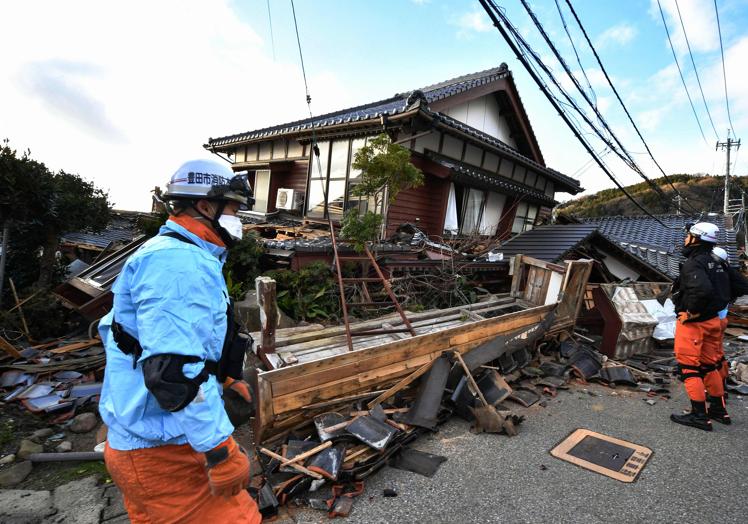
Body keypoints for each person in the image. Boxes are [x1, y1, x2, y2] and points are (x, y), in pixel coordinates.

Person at [98, 159, 261, 523]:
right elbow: (175, 372)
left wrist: (226, 378)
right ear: (206, 206)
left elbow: (179, 343)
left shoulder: (175, 254)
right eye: (234, 208)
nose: (239, 219)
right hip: (165, 454)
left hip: (143, 445)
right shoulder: (179, 264)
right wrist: (219, 450)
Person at [670, 223, 730, 430]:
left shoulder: (694, 263)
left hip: (695, 324)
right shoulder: (716, 262)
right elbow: (731, 287)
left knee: (689, 367)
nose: (686, 239)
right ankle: (718, 409)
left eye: (688, 235)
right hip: (713, 320)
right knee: (709, 365)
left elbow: (702, 290)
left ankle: (699, 416)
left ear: (696, 238)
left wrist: (691, 312)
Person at [711, 246, 748, 399]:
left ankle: (716, 391)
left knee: (710, 355)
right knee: (718, 352)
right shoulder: (729, 272)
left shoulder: (716, 273)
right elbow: (744, 286)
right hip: (722, 316)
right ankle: (722, 383)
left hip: (712, 318)